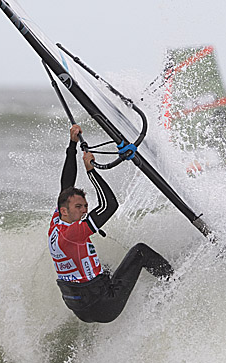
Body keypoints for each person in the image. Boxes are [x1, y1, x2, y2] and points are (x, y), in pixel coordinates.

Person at [49, 124, 174, 323]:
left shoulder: (57, 222)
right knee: (139, 252)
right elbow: (110, 205)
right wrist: (91, 172)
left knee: (103, 268)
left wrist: (72, 145)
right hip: (104, 305)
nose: (84, 211)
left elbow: (66, 186)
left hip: (81, 308)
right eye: (79, 207)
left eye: (85, 206)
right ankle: (176, 283)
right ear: (66, 210)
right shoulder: (74, 233)